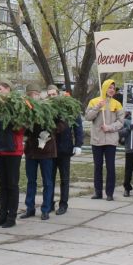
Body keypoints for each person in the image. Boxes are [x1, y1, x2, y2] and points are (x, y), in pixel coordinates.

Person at [0, 81, 24, 228]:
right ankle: (2, 215)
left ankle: (11, 217)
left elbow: (22, 129)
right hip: (0, 151)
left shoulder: (17, 105)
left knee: (12, 185)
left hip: (13, 151)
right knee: (2, 186)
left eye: (0, 89)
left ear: (8, 89)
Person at [20, 84, 57, 220]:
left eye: (35, 94)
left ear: (39, 94)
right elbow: (22, 127)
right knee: (31, 180)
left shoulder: (48, 107)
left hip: (45, 150)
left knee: (47, 181)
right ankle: (30, 208)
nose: (33, 97)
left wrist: (47, 135)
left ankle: (46, 209)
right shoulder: (25, 108)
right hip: (31, 150)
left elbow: (57, 124)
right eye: (30, 94)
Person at [84, 79, 124, 200]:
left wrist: (110, 127)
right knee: (98, 166)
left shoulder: (117, 104)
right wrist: (97, 107)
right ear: (104, 88)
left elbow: (121, 122)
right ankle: (98, 192)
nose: (112, 90)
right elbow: (87, 117)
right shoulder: (94, 101)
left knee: (110, 167)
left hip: (111, 140)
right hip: (97, 139)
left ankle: (110, 193)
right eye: (110, 87)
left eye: (113, 88)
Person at [48, 85, 83, 215]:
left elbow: (77, 126)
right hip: (50, 150)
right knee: (49, 178)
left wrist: (78, 144)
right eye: (49, 95)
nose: (52, 97)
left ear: (58, 94)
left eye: (53, 94)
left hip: (64, 149)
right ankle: (49, 203)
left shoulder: (68, 107)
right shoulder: (47, 108)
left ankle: (63, 204)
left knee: (64, 179)